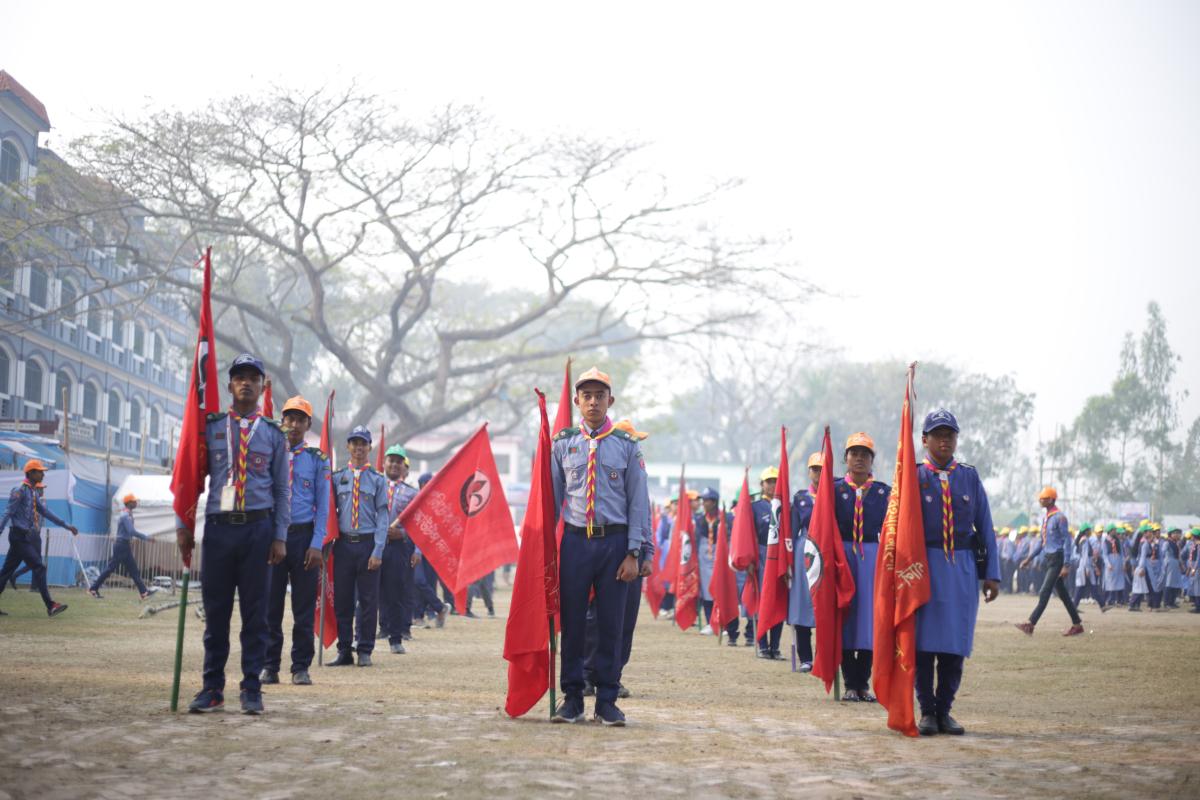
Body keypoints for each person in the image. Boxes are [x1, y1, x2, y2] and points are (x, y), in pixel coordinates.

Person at [178, 354, 290, 715]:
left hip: (258, 530)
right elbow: (191, 477)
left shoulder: (273, 434)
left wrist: (280, 536)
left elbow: (282, 489)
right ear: (229, 386)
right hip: (219, 529)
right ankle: (212, 688)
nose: (246, 383)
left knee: (256, 615)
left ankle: (251, 687)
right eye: (239, 377)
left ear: (262, 387)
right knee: (216, 613)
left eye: (253, 379)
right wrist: (182, 524)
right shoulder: (209, 428)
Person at [550, 367, 650, 727]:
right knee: (573, 623)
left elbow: (638, 502)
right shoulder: (562, 443)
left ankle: (607, 700)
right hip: (576, 542)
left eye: (600, 395)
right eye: (587, 396)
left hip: (615, 543)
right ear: (577, 401)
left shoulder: (627, 445)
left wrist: (635, 552)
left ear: (611, 400)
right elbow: (551, 500)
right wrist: (544, 549)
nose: (593, 402)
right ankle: (573, 698)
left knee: (611, 624)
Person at [913, 409, 1000, 737]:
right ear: (925, 440)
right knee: (923, 645)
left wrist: (992, 574)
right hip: (924, 568)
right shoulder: (913, 477)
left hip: (961, 567)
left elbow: (985, 525)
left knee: (955, 644)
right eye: (937, 434)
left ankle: (945, 710)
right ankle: (927, 711)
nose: (945, 440)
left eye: (950, 434)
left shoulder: (969, 477)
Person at [262, 396, 329, 687]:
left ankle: (300, 666)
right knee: (271, 606)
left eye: (300, 420)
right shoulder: (271, 454)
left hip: (304, 538)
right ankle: (270, 665)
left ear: (308, 424)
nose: (294, 424)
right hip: (274, 536)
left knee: (303, 608)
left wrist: (317, 544)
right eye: (289, 418)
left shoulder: (317, 459)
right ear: (282, 421)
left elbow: (323, 506)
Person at [833, 433, 890, 701]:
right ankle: (849, 683)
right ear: (845, 458)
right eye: (854, 454)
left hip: (872, 558)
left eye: (865, 454)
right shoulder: (833, 490)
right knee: (844, 618)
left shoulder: (883, 493)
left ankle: (863, 683)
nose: (859, 459)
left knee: (870, 621)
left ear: (872, 460)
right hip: (842, 556)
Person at [327, 425, 389, 667]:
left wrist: (378, 550)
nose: (358, 448)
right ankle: (344, 649)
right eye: (354, 443)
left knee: (368, 601)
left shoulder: (377, 479)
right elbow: (329, 512)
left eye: (363, 443)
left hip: (367, 544)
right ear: (348, 446)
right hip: (343, 545)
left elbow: (383, 516)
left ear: (369, 447)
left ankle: (365, 650)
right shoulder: (337, 477)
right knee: (343, 600)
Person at [0, 459, 79, 616]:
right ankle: (50, 605)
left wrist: (66, 525)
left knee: (6, 573)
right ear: (30, 473)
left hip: (23, 537)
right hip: (19, 536)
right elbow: (8, 512)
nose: (43, 475)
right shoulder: (20, 490)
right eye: (40, 472)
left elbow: (46, 512)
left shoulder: (33, 492)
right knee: (39, 567)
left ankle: (50, 605)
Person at [1015, 487, 1084, 637]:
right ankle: (1077, 624)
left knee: (1044, 591)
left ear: (1052, 500)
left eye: (1044, 498)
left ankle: (1030, 624)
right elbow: (1042, 542)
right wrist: (1029, 559)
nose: (1041, 501)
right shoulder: (1046, 518)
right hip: (1049, 559)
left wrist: (1066, 565)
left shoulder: (1060, 517)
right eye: (1040, 498)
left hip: (1058, 558)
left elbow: (1067, 541)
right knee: (1063, 594)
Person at [788, 452, 820, 672]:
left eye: (822, 469)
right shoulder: (800, 498)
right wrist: (788, 562)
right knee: (802, 604)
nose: (818, 473)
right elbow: (792, 531)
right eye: (815, 469)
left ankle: (823, 656)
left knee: (824, 605)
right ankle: (806, 658)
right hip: (803, 552)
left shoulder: (836, 495)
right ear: (809, 472)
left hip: (826, 549)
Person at [89, 493, 152, 599]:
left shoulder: (127, 514)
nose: (136, 503)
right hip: (121, 546)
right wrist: (146, 537)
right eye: (134, 501)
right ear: (129, 503)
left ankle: (144, 592)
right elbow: (131, 531)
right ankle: (93, 588)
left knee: (133, 570)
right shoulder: (125, 516)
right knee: (111, 568)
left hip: (124, 545)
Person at [752, 467, 783, 659]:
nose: (772, 485)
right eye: (769, 481)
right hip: (762, 555)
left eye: (775, 481)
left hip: (780, 557)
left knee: (778, 600)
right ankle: (763, 645)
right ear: (762, 485)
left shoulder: (786, 505)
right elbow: (748, 535)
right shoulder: (755, 507)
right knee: (763, 601)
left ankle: (775, 646)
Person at [1101, 523, 1128, 608]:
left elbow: (1122, 554)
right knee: (1110, 582)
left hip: (1118, 562)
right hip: (1111, 562)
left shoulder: (1118, 541)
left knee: (1120, 581)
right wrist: (1108, 564)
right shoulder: (1105, 541)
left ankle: (1120, 600)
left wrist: (1123, 563)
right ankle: (1110, 600)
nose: (1115, 531)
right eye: (1114, 530)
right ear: (1110, 531)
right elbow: (1104, 554)